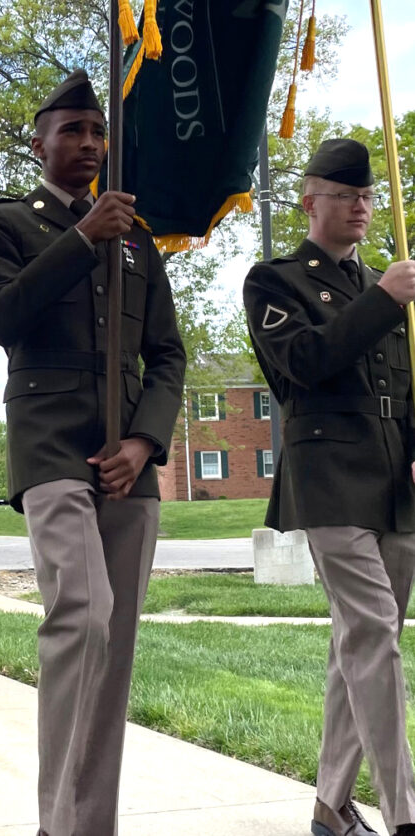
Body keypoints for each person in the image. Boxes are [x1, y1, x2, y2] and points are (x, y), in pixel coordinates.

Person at [0, 70, 186, 836]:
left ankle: (92, 825)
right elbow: (3, 318)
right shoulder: (4, 223)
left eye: (98, 132)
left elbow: (167, 355)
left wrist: (145, 440)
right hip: (50, 446)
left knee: (115, 648)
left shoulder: (141, 238)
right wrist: (82, 237)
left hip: (126, 457)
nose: (89, 144)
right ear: (39, 144)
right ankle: (56, 823)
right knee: (84, 615)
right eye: (72, 131)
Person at [243, 138, 415, 836]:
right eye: (347, 197)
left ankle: (328, 808)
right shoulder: (275, 281)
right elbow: (302, 366)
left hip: (393, 477)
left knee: (361, 644)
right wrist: (381, 300)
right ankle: (405, 812)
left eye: (369, 197)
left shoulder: (383, 281)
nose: (362, 208)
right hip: (328, 475)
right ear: (311, 201)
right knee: (373, 631)